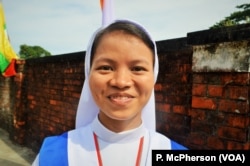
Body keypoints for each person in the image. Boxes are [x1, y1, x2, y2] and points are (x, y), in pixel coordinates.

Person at [32, 19, 187, 166]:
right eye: (106, 67)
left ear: (154, 76)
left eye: (137, 69)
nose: (121, 82)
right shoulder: (51, 155)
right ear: (88, 74)